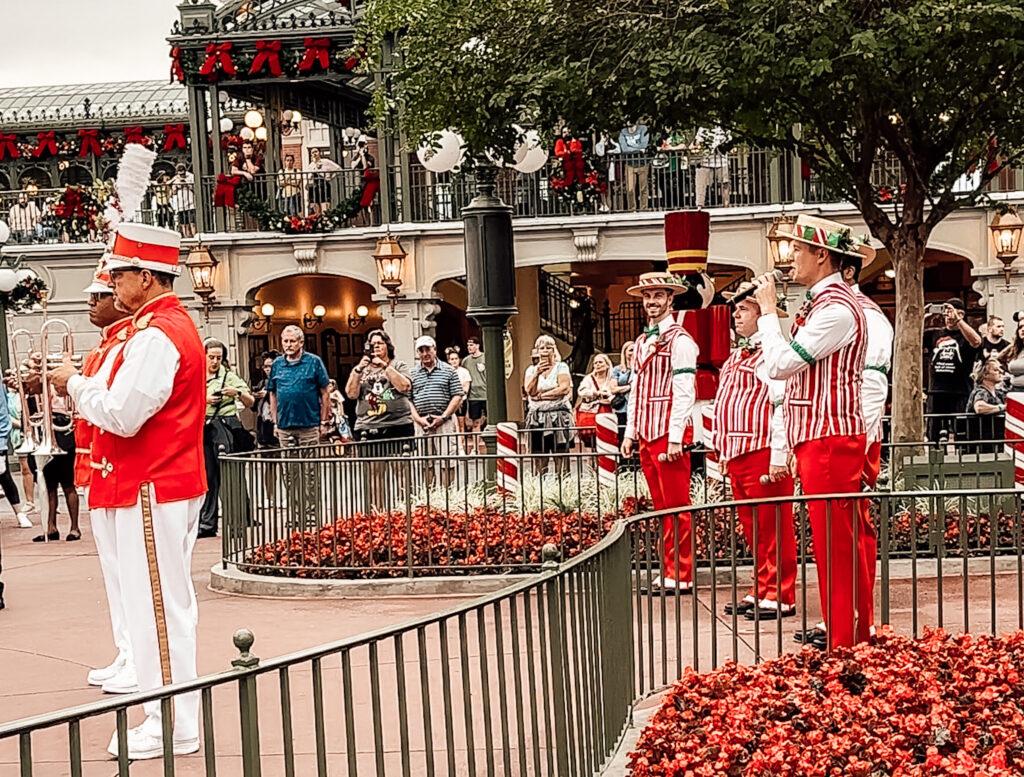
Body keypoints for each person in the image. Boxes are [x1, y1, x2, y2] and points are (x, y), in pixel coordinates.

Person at [49, 222, 207, 760]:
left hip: (152, 485)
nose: (111, 281)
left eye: (119, 272)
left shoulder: (159, 334)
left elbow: (122, 413)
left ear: (146, 275)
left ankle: (173, 723)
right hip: (151, 484)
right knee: (153, 607)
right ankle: (166, 714)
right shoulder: (156, 328)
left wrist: (73, 382)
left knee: (158, 609)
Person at [752, 214, 870, 649]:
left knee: (835, 545)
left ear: (822, 255)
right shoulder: (826, 304)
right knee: (834, 543)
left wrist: (767, 313)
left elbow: (782, 365)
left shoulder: (836, 308)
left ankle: (846, 640)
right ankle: (850, 634)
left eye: (798, 249)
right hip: (822, 436)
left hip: (829, 437)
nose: (791, 258)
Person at [712, 282, 796, 619]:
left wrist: (779, 454)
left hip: (762, 450)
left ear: (762, 313)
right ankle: (761, 586)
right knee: (753, 527)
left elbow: (782, 404)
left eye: (743, 309)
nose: (735, 315)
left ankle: (781, 593)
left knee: (774, 526)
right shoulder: (736, 355)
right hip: (738, 452)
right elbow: (722, 404)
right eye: (735, 310)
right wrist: (720, 448)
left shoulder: (772, 353)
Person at [74, 261, 137, 693]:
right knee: (114, 575)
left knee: (128, 573)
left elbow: (113, 407)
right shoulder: (104, 346)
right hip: (96, 465)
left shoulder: (126, 344)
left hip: (116, 467)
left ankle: (137, 655)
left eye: (99, 296)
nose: (92, 304)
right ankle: (125, 649)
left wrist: (74, 384)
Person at [621, 272, 698, 593]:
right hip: (648, 434)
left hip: (668, 433)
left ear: (670, 299)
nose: (652, 302)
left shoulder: (681, 341)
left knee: (677, 506)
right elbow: (637, 389)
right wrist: (630, 431)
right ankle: (669, 570)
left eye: (658, 296)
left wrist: (677, 437)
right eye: (647, 296)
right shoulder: (641, 342)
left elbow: (685, 391)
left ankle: (681, 573)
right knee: (662, 506)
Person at [200, 339, 254, 538]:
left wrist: (237, 393)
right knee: (208, 477)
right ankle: (206, 523)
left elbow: (250, 401)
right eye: (211, 357)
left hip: (225, 426)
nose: (215, 361)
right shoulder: (195, 376)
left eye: (219, 358)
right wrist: (203, 399)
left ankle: (237, 521)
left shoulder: (229, 377)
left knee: (229, 475)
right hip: (204, 429)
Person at [345, 328, 414, 447]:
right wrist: (358, 369)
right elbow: (351, 394)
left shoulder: (398, 365)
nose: (376, 346)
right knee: (374, 465)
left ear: (388, 346)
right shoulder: (360, 369)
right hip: (368, 426)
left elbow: (404, 387)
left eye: (379, 343)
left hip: (397, 425)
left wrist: (384, 366)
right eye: (372, 344)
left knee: (400, 464)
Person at [925, 298, 981, 442]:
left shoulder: (966, 334)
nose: (949, 317)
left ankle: (962, 459)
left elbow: (976, 342)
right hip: (937, 390)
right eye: (946, 313)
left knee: (962, 431)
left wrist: (959, 320)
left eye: (952, 312)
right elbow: (912, 340)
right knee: (934, 433)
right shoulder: (934, 334)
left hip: (960, 390)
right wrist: (921, 318)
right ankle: (934, 459)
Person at [410, 335, 465, 479]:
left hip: (444, 421)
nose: (424, 354)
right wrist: (418, 419)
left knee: (447, 462)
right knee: (424, 463)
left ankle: (446, 497)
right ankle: (429, 497)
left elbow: (457, 395)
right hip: (422, 423)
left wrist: (443, 416)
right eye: (420, 351)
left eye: (427, 349)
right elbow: (408, 400)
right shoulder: (412, 373)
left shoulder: (449, 370)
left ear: (434, 349)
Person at [268, 325, 331, 449]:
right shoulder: (277, 364)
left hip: (309, 425)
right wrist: (275, 423)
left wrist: (324, 421)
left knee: (310, 466)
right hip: (284, 425)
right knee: (289, 466)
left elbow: (325, 393)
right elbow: (273, 394)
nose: (288, 345)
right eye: (285, 341)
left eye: (292, 341)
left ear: (301, 342)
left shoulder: (314, 361)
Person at [524, 335, 574, 472]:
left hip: (558, 416)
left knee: (561, 457)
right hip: (537, 417)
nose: (545, 351)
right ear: (537, 351)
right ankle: (541, 486)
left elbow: (564, 388)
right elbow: (530, 391)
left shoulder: (561, 367)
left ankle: (562, 486)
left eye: (548, 348)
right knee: (539, 458)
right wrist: (537, 374)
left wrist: (542, 396)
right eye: (541, 348)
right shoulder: (531, 370)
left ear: (554, 350)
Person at [576, 353, 615, 449]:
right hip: (591, 411)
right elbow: (581, 392)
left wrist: (609, 398)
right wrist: (596, 393)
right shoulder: (588, 379)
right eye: (595, 363)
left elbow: (615, 392)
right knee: (592, 440)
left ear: (607, 365)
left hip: (608, 410)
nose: (597, 365)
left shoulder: (612, 379)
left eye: (600, 362)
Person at [968, 357, 1007, 445]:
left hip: (995, 441)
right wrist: (1002, 407)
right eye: (996, 370)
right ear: (985, 374)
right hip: (981, 443)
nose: (1001, 372)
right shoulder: (981, 392)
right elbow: (979, 407)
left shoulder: (998, 393)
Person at [462, 336, 488, 454]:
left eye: (472, 345)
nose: (469, 347)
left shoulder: (485, 357)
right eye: (468, 345)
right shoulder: (466, 361)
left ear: (477, 345)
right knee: (475, 422)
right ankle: (475, 448)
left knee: (491, 421)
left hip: (486, 393)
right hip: (473, 395)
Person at [618, 122, 650, 210]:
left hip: (642, 162)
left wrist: (632, 149)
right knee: (630, 189)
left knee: (643, 188)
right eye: (628, 126)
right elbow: (624, 149)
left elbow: (644, 144)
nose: (631, 128)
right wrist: (639, 149)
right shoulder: (623, 132)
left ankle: (644, 208)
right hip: (629, 163)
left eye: (632, 126)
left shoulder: (643, 129)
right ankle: (632, 209)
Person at [252, 351, 279, 448]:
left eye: (270, 367)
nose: (267, 370)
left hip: (276, 428)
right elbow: (254, 408)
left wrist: (267, 395)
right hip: (263, 429)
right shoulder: (262, 383)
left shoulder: (282, 382)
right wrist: (254, 397)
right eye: (265, 367)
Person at [305, 147, 342, 215]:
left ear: (319, 153)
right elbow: (308, 177)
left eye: (316, 151)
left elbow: (338, 169)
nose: (314, 154)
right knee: (316, 208)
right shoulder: (310, 165)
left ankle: (326, 221)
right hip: (314, 187)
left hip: (324, 185)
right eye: (312, 153)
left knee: (325, 206)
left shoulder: (326, 162)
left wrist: (330, 177)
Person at [445, 347, 472, 433]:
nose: (454, 361)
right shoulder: (445, 372)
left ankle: (461, 444)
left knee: (460, 424)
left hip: (461, 401)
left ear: (459, 360)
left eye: (456, 359)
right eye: (452, 359)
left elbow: (466, 388)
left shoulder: (464, 372)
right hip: (448, 402)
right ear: (448, 360)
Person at [611, 341, 634, 441]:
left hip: (637, 405)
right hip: (623, 406)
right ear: (624, 353)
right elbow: (613, 388)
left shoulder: (640, 368)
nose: (633, 353)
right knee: (623, 432)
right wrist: (629, 387)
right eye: (631, 350)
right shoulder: (617, 369)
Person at [170, 164, 195, 238]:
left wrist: (186, 184)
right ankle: (186, 236)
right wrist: (177, 186)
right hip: (180, 203)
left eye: (183, 174)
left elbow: (194, 188)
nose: (181, 176)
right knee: (184, 224)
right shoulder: (175, 179)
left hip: (190, 202)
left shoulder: (190, 176)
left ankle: (194, 236)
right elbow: (173, 192)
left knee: (192, 222)